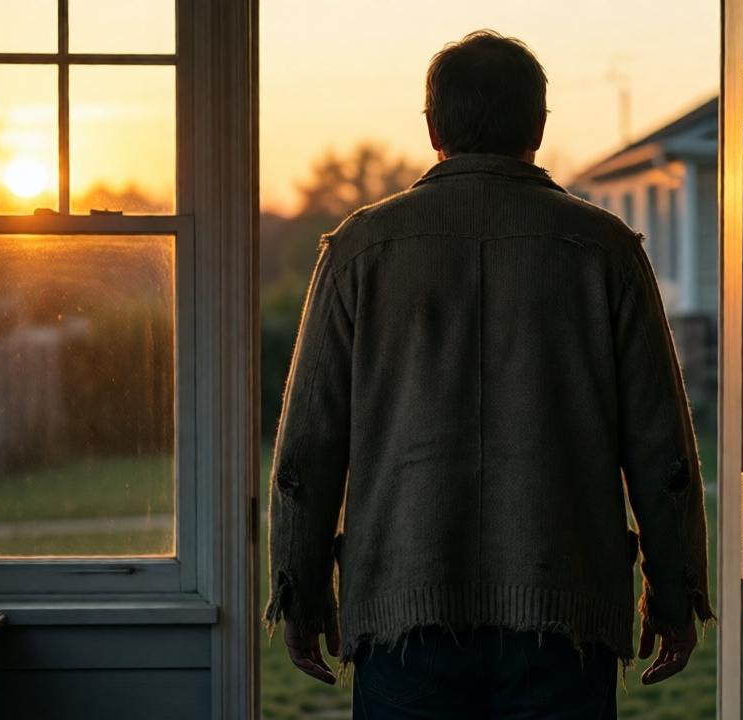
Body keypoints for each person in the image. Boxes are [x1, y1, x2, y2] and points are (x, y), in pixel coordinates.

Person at [264, 29, 713, 719]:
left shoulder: (360, 250)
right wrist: (675, 591)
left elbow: (307, 446)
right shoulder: (604, 252)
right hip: (563, 616)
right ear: (538, 127)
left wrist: (300, 590)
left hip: (402, 616)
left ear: (433, 128)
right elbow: (661, 448)